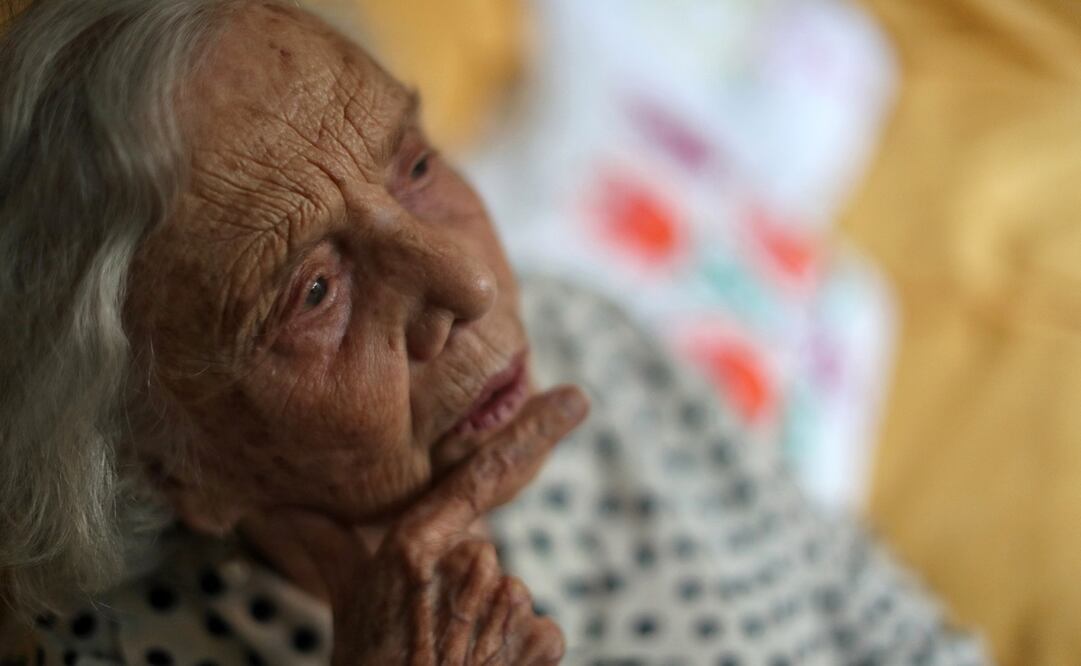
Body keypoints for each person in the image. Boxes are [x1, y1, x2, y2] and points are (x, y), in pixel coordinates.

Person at [0, 0, 989, 663]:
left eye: (415, 166)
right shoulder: (125, 646)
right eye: (313, 294)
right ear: (172, 465)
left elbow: (868, 607)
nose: (472, 280)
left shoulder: (579, 333)